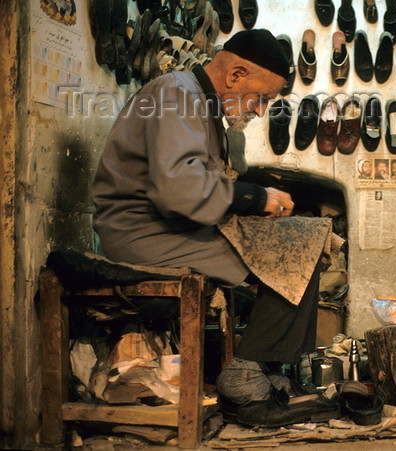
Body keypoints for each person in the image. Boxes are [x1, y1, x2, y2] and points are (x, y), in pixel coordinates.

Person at [92, 29, 337, 427]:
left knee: (307, 241)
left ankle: (267, 374)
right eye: (263, 97)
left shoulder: (199, 102)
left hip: (167, 228)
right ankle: (246, 382)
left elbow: (197, 185)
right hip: (143, 234)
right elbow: (178, 190)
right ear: (236, 75)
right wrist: (255, 198)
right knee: (299, 252)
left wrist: (249, 205)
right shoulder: (176, 93)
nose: (260, 110)